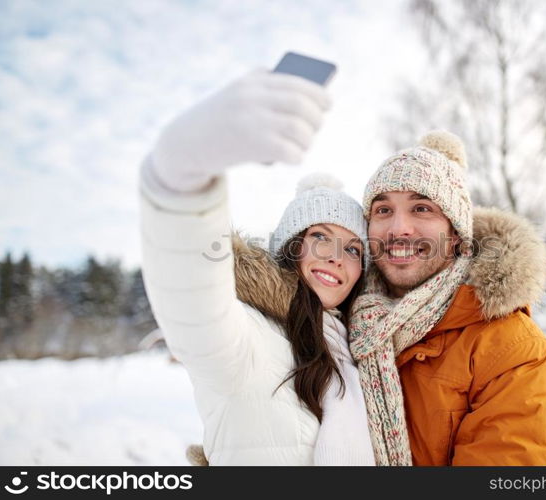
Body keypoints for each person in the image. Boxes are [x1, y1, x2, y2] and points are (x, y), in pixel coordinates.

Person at [138, 69, 375, 465]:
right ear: (289, 248)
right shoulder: (245, 337)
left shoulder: (360, 353)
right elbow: (189, 282)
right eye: (319, 237)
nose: (337, 256)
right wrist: (179, 172)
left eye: (353, 249)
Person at [348, 131, 546, 465]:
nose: (398, 228)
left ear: (456, 234)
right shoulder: (337, 323)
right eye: (383, 210)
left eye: (421, 208)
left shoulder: (513, 348)